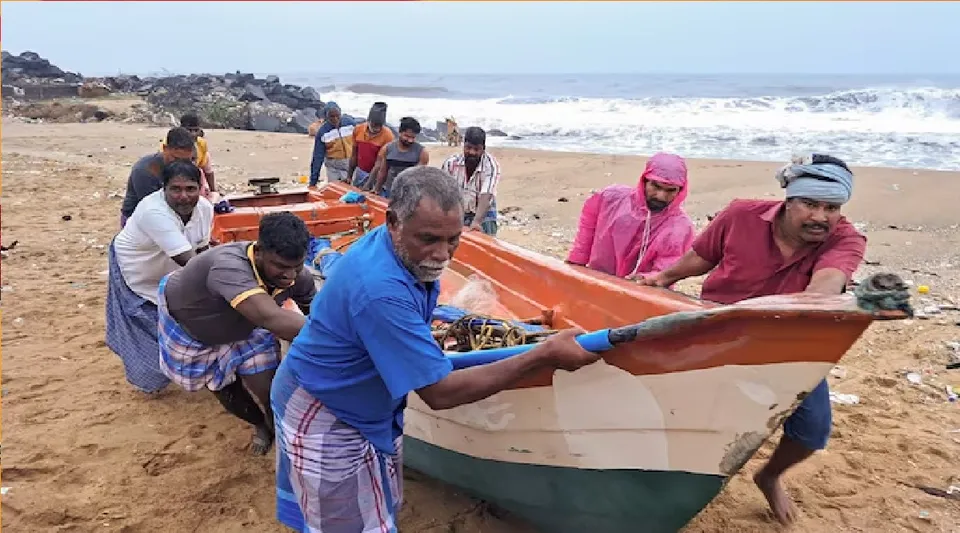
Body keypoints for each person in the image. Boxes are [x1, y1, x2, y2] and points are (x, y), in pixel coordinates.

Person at [272, 166, 601, 533]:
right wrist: (543, 355)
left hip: (361, 396)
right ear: (393, 221)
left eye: (453, 240)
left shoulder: (394, 248)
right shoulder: (381, 290)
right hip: (326, 404)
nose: (442, 255)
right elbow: (439, 393)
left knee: (375, 503)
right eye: (428, 239)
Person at [639, 153, 865, 524]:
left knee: (812, 431)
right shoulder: (740, 214)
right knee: (680, 407)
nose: (821, 217)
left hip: (792, 343)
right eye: (810, 204)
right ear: (787, 201)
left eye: (832, 207)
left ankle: (770, 475)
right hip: (718, 326)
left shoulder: (847, 239)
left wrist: (819, 302)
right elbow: (701, 256)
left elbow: (825, 286)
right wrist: (662, 279)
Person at [158, 212, 317, 455]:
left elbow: (317, 312)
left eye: (296, 266)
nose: (290, 276)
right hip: (195, 329)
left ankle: (276, 426)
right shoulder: (228, 266)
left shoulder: (298, 275)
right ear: (260, 250)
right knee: (225, 388)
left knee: (270, 386)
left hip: (246, 326)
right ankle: (259, 425)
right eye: (282, 267)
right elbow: (271, 318)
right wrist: (342, 339)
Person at [106, 161, 214, 394]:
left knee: (179, 322)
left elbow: (203, 250)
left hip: (171, 272)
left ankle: (188, 368)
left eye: (190, 189)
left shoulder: (205, 208)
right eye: (175, 189)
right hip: (137, 269)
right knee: (145, 327)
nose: (183, 196)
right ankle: (151, 382)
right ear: (162, 189)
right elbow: (192, 263)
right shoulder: (153, 212)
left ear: (199, 188)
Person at [566, 152, 694, 280]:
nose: (661, 196)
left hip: (641, 292)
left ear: (680, 190)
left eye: (671, 190)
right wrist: (576, 262)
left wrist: (644, 279)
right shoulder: (611, 199)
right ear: (644, 180)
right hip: (598, 280)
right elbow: (587, 231)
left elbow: (666, 272)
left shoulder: (680, 228)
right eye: (655, 186)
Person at [120, 127, 196, 227]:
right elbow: (152, 210)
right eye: (175, 159)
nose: (180, 165)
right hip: (138, 218)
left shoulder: (188, 167)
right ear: (165, 149)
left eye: (186, 160)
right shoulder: (145, 170)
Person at [440, 126, 501, 236]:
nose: (471, 152)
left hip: (484, 210)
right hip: (459, 209)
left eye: (476, 149)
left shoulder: (491, 166)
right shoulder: (450, 164)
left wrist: (477, 222)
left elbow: (486, 196)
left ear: (483, 148)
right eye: (468, 148)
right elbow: (443, 194)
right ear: (463, 145)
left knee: (485, 244)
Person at [368, 116, 429, 198]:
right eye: (407, 136)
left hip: (409, 194)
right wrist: (377, 189)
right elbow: (383, 171)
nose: (410, 140)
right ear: (400, 132)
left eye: (413, 137)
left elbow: (419, 177)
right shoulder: (388, 148)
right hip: (389, 191)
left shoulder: (422, 152)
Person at [161, 114, 218, 200]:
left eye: (196, 130)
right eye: (189, 130)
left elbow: (207, 170)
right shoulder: (170, 145)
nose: (193, 134)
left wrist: (213, 192)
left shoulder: (201, 144)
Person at [348, 101, 394, 189]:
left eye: (379, 125)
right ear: (368, 121)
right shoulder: (358, 129)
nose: (376, 127)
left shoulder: (388, 135)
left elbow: (379, 163)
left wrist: (369, 183)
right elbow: (354, 155)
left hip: (378, 175)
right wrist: (349, 176)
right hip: (360, 171)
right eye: (374, 124)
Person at [309, 101, 356, 185]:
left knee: (351, 191)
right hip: (333, 167)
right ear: (326, 117)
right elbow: (317, 157)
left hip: (350, 164)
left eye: (337, 116)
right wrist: (313, 181)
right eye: (331, 116)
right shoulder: (323, 132)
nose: (335, 119)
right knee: (336, 189)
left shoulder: (350, 124)